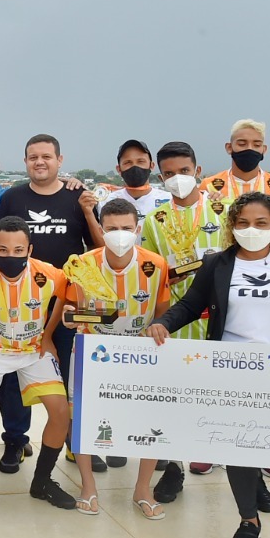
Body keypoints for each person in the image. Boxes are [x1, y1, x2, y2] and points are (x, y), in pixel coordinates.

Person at [148, 192, 270, 538]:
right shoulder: (218, 264)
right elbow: (189, 304)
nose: (252, 230)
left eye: (261, 223)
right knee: (240, 449)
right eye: (243, 223)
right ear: (231, 227)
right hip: (233, 371)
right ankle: (248, 521)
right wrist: (163, 323)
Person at [0, 134, 106, 472]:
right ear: (25, 162)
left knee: (72, 376)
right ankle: (15, 441)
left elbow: (98, 248)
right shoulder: (12, 197)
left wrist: (88, 209)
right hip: (18, 304)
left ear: (59, 160)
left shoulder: (76, 196)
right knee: (13, 376)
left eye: (46, 156)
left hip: (69, 307)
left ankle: (74, 441)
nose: (39, 162)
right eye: (32, 157)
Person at [0, 217, 80, 513]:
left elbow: (64, 299)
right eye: (3, 249)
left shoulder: (51, 274)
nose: (10, 256)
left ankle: (42, 481)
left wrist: (49, 335)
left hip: (33, 350)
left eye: (17, 250)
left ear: (29, 249)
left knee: (60, 412)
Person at [60, 199, 172, 516]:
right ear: (101, 229)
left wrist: (149, 331)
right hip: (92, 352)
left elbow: (160, 314)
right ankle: (88, 487)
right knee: (82, 420)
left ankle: (142, 489)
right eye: (111, 229)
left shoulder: (156, 265)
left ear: (137, 229)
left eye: (126, 228)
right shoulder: (82, 264)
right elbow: (69, 312)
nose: (119, 235)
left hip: (140, 355)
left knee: (151, 421)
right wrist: (95, 317)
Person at [139, 141, 227, 498]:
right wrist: (171, 274)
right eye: (170, 174)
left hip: (222, 317)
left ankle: (231, 459)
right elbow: (150, 271)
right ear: (161, 177)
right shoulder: (154, 221)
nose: (178, 179)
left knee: (221, 391)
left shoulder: (226, 211)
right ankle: (173, 467)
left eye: (184, 172)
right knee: (174, 393)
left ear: (198, 171)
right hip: (178, 318)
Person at [200, 119, 270, 220]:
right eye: (242, 144)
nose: (249, 149)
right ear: (229, 147)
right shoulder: (209, 186)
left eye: (257, 145)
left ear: (264, 149)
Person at [96, 140, 171, 223]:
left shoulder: (169, 200)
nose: (135, 167)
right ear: (119, 169)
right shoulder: (106, 202)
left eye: (141, 161)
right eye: (128, 162)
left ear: (151, 166)